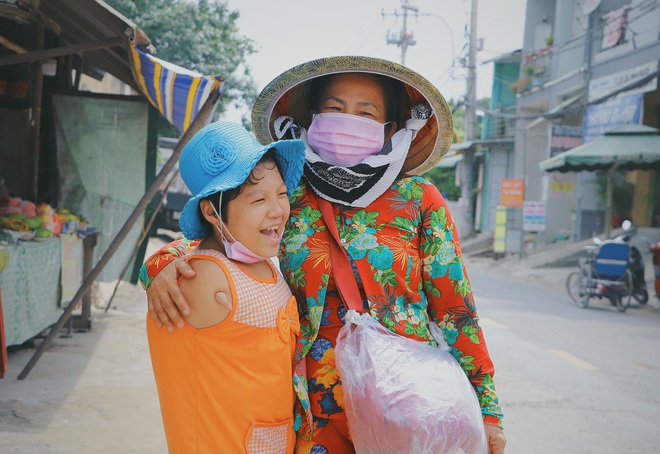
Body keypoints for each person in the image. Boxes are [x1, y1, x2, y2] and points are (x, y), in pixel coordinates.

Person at [141, 56, 506, 454]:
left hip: (406, 406)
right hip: (315, 414)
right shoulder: (288, 198)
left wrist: (487, 411)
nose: (347, 120)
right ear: (313, 119)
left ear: (390, 128)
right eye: (334, 109)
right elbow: (213, 238)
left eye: (365, 113)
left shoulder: (420, 201)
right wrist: (159, 267)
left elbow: (456, 311)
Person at [145, 121, 306, 453]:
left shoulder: (263, 265)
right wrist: (160, 263)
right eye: (258, 199)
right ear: (212, 212)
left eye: (281, 194)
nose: (277, 210)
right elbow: (192, 258)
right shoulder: (208, 278)